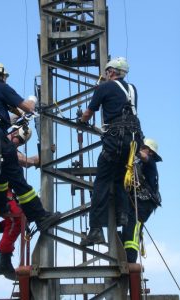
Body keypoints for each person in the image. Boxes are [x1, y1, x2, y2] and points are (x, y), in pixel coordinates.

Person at [0, 61, 60, 233]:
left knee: (1, 172)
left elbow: (0, 117)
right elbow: (27, 107)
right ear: (0, 75)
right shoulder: (1, 87)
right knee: (16, 177)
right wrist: (32, 101)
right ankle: (41, 217)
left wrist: (18, 118)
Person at [79, 57, 143, 247]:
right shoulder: (132, 89)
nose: (105, 75)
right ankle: (122, 215)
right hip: (134, 141)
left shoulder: (105, 88)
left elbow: (89, 113)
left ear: (112, 72)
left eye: (107, 72)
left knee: (102, 182)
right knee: (120, 177)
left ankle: (96, 229)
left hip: (116, 140)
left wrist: (81, 121)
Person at [0, 125, 40, 280]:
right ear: (12, 133)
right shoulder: (2, 146)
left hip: (3, 191)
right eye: (18, 139)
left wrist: (41, 157)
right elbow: (23, 161)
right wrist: (35, 161)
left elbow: (25, 160)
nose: (18, 143)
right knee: (17, 218)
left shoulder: (8, 148)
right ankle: (4, 262)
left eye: (21, 142)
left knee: (18, 217)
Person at [122, 138, 162, 263]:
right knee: (129, 227)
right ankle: (126, 255)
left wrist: (132, 148)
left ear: (149, 151)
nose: (140, 149)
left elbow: (143, 156)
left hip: (144, 203)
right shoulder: (138, 164)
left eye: (142, 147)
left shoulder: (150, 163)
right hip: (139, 202)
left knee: (132, 229)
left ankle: (130, 259)